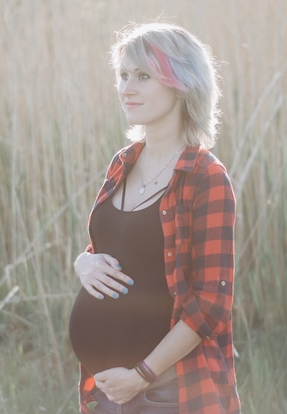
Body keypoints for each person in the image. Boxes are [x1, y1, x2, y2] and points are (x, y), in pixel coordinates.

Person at [68, 21, 241, 413]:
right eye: (123, 75)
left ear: (181, 82)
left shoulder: (205, 178)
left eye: (143, 76)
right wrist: (84, 263)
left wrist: (142, 374)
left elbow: (211, 303)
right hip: (108, 389)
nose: (127, 87)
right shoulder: (123, 163)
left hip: (168, 391)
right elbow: (115, 249)